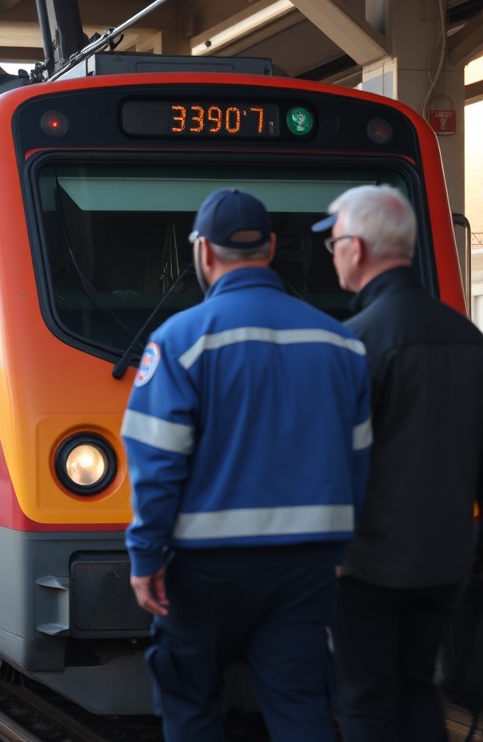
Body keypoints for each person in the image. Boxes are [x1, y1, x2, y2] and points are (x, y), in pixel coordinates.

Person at [122, 187, 372, 742]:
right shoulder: (341, 345)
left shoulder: (179, 342)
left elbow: (157, 465)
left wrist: (145, 558)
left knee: (190, 706)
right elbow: (357, 461)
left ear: (203, 253)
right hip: (306, 568)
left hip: (205, 568)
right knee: (302, 708)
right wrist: (336, 550)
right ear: (272, 247)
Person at [314, 184, 483, 742]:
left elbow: (335, 463)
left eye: (334, 241)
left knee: (365, 702)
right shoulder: (469, 339)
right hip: (445, 563)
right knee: (417, 689)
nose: (333, 252)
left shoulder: (353, 343)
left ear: (357, 248)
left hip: (367, 567)